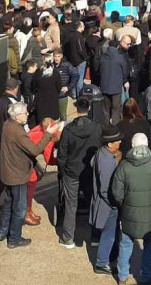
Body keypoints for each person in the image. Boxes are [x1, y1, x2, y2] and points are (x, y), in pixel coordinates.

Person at [0, 102, 58, 248]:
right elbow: (35, 150)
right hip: (18, 175)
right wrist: (48, 134)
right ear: (17, 116)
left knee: (8, 203)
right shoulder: (18, 132)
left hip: (8, 172)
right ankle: (14, 238)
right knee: (20, 208)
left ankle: (2, 232)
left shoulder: (8, 124)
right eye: (25, 113)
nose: (28, 114)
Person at [112, 133, 151, 285]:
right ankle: (146, 276)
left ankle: (122, 276)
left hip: (129, 212)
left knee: (125, 244)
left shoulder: (124, 165)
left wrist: (124, 203)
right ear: (147, 145)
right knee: (149, 244)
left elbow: (116, 192)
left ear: (132, 145)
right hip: (150, 213)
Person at [56, 97, 101, 248]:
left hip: (72, 171)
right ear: (89, 108)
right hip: (90, 170)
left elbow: (62, 153)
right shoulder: (97, 127)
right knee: (93, 202)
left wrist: (62, 170)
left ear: (76, 109)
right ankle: (95, 236)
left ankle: (68, 238)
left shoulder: (68, 129)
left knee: (70, 205)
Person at [91, 127, 123, 276]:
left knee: (110, 234)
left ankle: (108, 259)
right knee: (109, 235)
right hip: (108, 205)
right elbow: (105, 189)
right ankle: (101, 263)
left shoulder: (101, 153)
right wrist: (115, 203)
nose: (120, 142)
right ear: (110, 144)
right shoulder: (107, 161)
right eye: (117, 140)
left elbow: (92, 163)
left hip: (105, 202)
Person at [0, 77, 22, 209]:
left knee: (6, 171)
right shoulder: (13, 104)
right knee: (9, 173)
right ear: (14, 89)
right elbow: (17, 125)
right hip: (10, 143)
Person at [101, 34, 133, 124]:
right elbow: (125, 71)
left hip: (104, 86)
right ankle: (115, 127)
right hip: (116, 87)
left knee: (105, 109)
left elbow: (99, 69)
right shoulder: (120, 57)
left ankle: (106, 127)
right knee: (116, 109)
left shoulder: (103, 56)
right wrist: (125, 80)